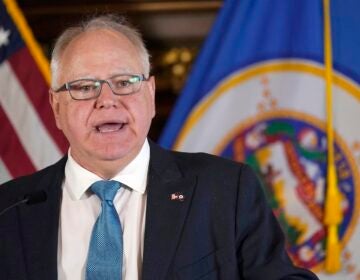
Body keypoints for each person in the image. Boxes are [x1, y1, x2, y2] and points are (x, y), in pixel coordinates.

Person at [0, 14, 319, 280]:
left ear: (150, 95)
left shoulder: (225, 189)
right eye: (84, 87)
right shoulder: (8, 208)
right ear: (56, 107)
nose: (107, 101)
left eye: (124, 82)